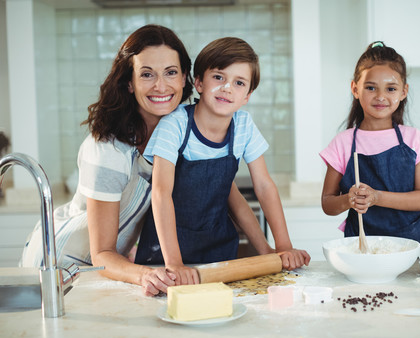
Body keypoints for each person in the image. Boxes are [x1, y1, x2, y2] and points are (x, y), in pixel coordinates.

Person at [20, 25, 267, 296]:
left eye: (170, 72)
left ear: (185, 78)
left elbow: (227, 192)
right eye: (147, 74)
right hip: (61, 265)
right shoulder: (109, 150)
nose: (160, 85)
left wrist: (268, 251)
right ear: (130, 82)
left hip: (107, 270)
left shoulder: (181, 133)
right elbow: (101, 252)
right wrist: (145, 272)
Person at [135, 37, 311, 284]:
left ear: (247, 95)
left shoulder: (244, 127)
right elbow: (161, 193)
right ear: (199, 83)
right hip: (165, 255)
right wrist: (174, 263)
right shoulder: (174, 124)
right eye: (218, 77)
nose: (227, 87)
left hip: (218, 253)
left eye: (239, 83)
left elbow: (263, 186)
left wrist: (279, 247)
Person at [320, 41, 420, 246]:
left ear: (403, 92)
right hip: (362, 248)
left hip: (413, 246)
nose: (381, 96)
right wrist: (348, 199)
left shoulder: (414, 139)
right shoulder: (343, 143)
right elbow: (328, 203)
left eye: (391, 88)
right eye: (371, 87)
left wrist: (377, 197)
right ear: (355, 89)